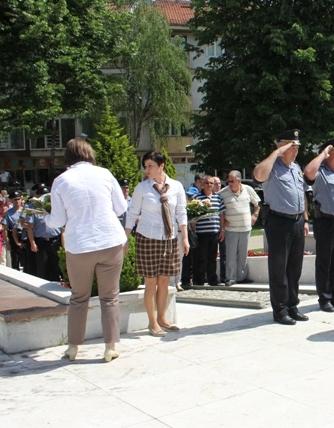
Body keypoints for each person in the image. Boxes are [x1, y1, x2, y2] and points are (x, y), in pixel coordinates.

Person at [44, 139, 127, 363]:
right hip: (110, 241)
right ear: (90, 154)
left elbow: (57, 220)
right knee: (110, 297)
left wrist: (44, 216)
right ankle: (110, 347)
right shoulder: (105, 174)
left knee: (79, 298)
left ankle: (73, 347)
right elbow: (121, 208)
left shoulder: (61, 180)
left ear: (68, 156)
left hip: (80, 245)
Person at [125, 151, 189, 337]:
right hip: (148, 237)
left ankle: (162, 318)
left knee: (164, 281)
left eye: (150, 166)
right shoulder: (142, 188)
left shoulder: (176, 186)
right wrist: (126, 237)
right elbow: (132, 213)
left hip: (169, 238)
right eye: (145, 166)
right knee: (150, 282)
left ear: (161, 166)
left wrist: (184, 237)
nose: (147, 170)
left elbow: (181, 213)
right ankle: (152, 323)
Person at [253, 129, 310, 325]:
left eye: (297, 147)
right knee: (279, 269)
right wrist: (276, 152)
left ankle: (293, 306)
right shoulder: (272, 166)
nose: (295, 151)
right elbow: (258, 175)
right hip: (279, 222)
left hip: (297, 222)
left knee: (295, 268)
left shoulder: (296, 168)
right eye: (291, 147)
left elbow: (302, 194)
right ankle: (280, 310)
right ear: (281, 147)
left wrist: (305, 219)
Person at [304, 136, 334, 312]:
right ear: (327, 155)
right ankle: (324, 298)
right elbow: (308, 172)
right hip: (326, 222)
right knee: (325, 262)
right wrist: (323, 153)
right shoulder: (320, 172)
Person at [218, 170, 260, 285]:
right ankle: (230, 278)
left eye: (232, 181)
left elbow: (257, 204)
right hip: (231, 229)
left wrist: (255, 215)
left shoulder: (248, 189)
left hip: (246, 228)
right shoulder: (223, 193)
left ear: (239, 181)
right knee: (231, 255)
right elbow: (217, 209)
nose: (229, 183)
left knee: (243, 255)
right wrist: (223, 220)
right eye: (228, 181)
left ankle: (242, 277)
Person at [24, 186, 63, 282]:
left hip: (55, 241)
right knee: (42, 268)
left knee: (56, 267)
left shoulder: (55, 208)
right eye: (42, 195)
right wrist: (32, 243)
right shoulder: (34, 209)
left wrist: (63, 244)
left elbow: (63, 229)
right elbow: (30, 228)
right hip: (42, 242)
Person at [193, 176, 225, 286]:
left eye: (211, 183)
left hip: (214, 232)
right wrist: (193, 230)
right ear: (202, 184)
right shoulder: (196, 197)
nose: (209, 185)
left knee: (212, 258)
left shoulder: (218, 197)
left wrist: (222, 230)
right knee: (201, 258)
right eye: (207, 183)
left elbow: (221, 215)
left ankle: (212, 280)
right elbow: (192, 216)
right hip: (201, 233)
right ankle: (200, 280)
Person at [5, 192, 26, 271]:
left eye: (18, 199)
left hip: (26, 237)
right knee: (15, 262)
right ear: (11, 201)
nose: (17, 201)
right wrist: (7, 243)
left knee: (27, 262)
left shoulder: (26, 211)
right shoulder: (7, 213)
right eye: (15, 200)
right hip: (14, 238)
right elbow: (5, 229)